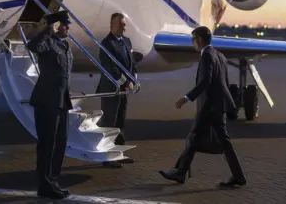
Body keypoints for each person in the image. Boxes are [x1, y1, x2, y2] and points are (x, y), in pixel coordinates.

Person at [158, 26, 247, 187]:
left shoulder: (206, 56)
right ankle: (238, 176)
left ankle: (180, 173)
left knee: (193, 137)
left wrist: (186, 98)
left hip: (209, 107)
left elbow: (205, 82)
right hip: (218, 105)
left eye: (193, 40)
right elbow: (223, 82)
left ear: (199, 39)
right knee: (221, 142)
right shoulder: (220, 55)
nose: (193, 44)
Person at [27, 10, 73, 200]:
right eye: (64, 24)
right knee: (47, 144)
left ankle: (53, 181)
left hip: (62, 102)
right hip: (47, 101)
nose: (68, 27)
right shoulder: (48, 42)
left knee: (60, 144)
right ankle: (44, 185)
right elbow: (33, 45)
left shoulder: (65, 45)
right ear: (56, 26)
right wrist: (47, 30)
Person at [96, 12, 137, 168]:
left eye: (124, 24)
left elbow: (131, 64)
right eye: (120, 24)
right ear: (111, 25)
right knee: (109, 123)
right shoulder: (107, 43)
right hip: (110, 89)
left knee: (120, 123)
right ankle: (107, 156)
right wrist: (125, 82)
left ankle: (119, 153)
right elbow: (110, 68)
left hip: (124, 90)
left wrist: (132, 80)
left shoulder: (127, 42)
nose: (123, 26)